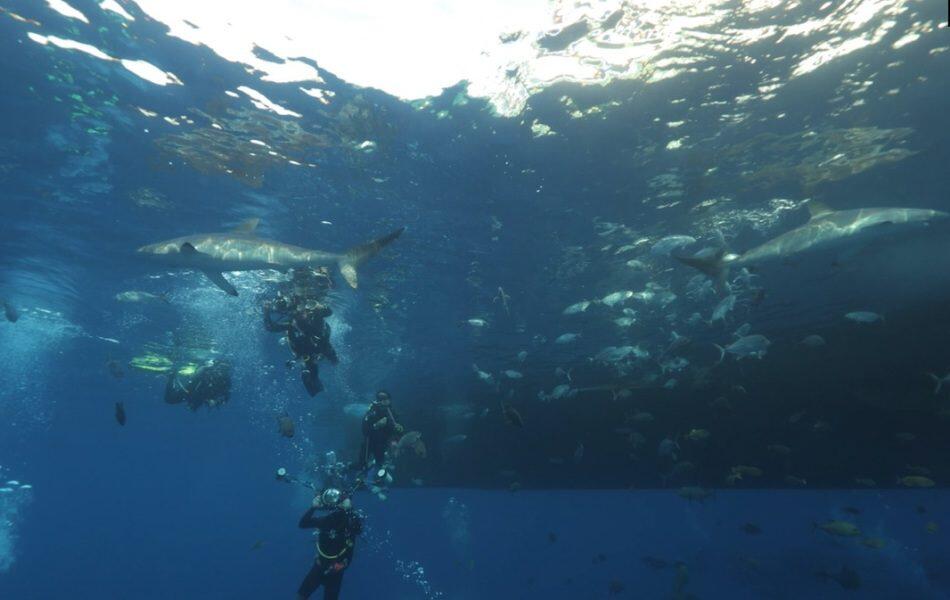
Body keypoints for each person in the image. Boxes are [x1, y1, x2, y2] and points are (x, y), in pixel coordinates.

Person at [296, 487, 363, 600]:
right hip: (320, 566)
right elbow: (302, 524)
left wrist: (349, 508)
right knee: (301, 596)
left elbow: (358, 529)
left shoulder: (350, 522)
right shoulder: (327, 520)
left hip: (336, 570)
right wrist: (313, 507)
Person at [358, 391, 403, 479]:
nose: (383, 401)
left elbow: (397, 430)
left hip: (383, 445)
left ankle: (375, 478)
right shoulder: (372, 412)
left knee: (380, 465)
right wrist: (376, 425)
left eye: (386, 399)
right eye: (380, 399)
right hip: (369, 444)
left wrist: (397, 435)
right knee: (362, 465)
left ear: (389, 400)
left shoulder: (392, 413)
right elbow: (364, 430)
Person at [163, 358, 232, 410]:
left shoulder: (226, 381)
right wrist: (205, 368)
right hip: (191, 391)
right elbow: (194, 376)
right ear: (216, 366)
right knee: (169, 399)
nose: (222, 371)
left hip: (202, 398)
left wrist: (216, 402)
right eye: (221, 367)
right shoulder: (207, 371)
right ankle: (171, 377)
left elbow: (226, 397)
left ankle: (172, 376)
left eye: (225, 369)